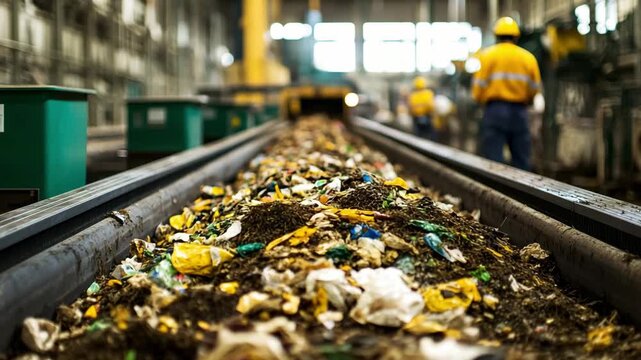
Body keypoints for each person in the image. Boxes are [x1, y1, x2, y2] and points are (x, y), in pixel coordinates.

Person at [472, 17, 541, 171]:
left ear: (496, 36)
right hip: (519, 111)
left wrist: (480, 100)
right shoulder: (528, 58)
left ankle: (495, 192)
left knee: (494, 160)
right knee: (521, 159)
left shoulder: (487, 55)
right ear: (516, 36)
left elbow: (478, 87)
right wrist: (527, 99)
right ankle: (521, 192)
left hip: (495, 110)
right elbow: (535, 87)